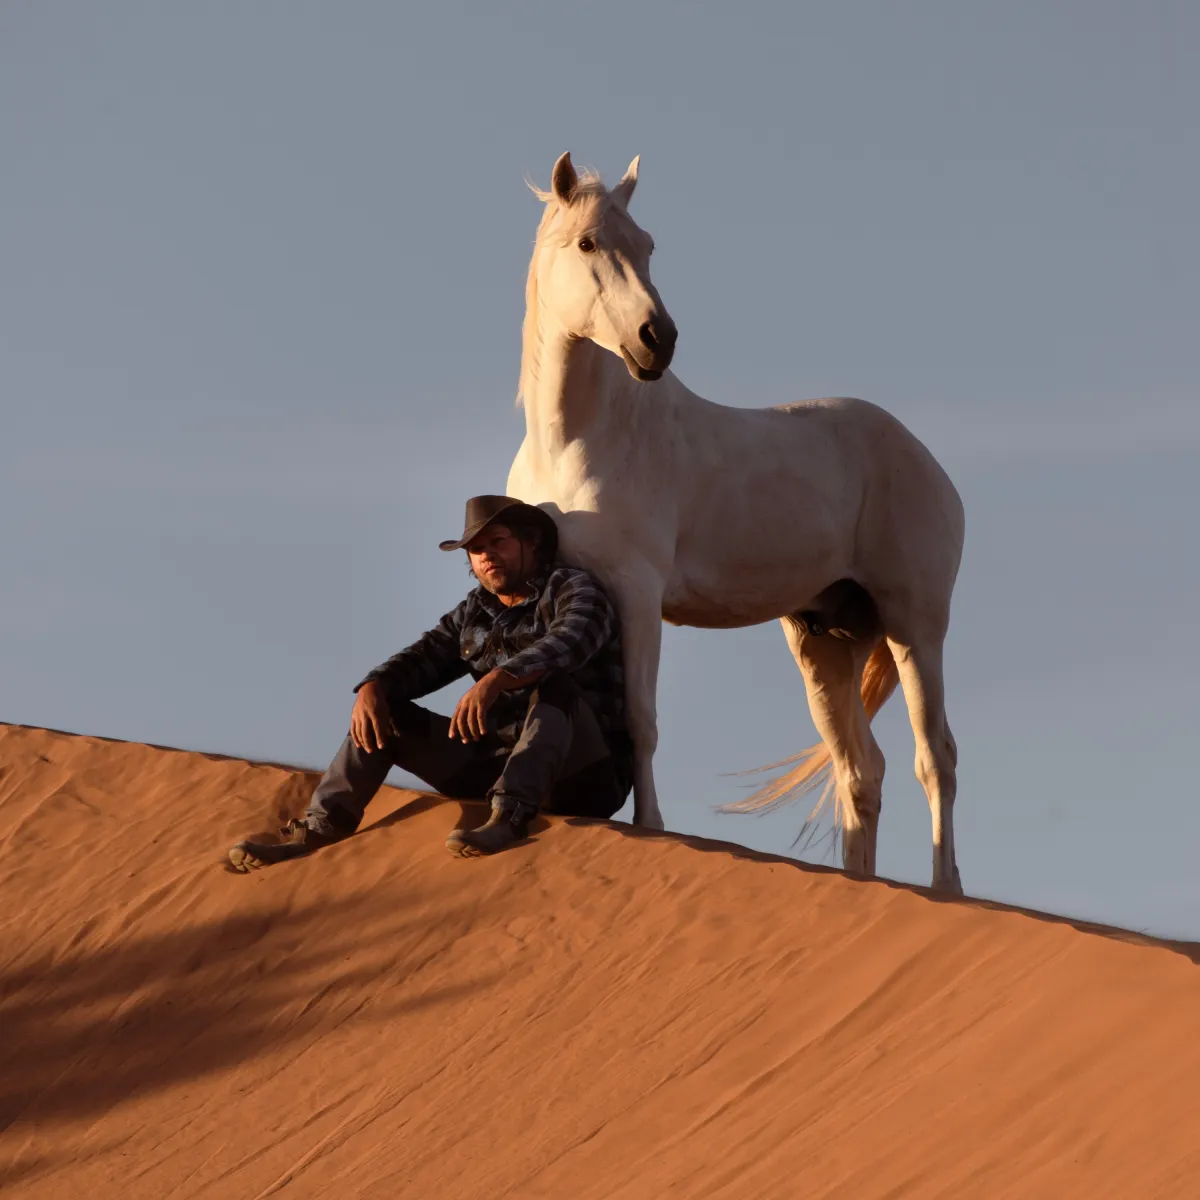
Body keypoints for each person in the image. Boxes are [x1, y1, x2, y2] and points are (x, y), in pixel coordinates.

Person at [228, 495, 632, 870]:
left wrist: (498, 678)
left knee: (554, 684)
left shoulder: (573, 588)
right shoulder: (475, 610)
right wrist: (375, 686)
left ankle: (509, 818)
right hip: (496, 763)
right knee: (390, 714)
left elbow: (571, 640)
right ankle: (320, 829)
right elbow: (424, 657)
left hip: (582, 774)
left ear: (532, 544)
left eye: (499, 541)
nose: (487, 555)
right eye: (476, 549)